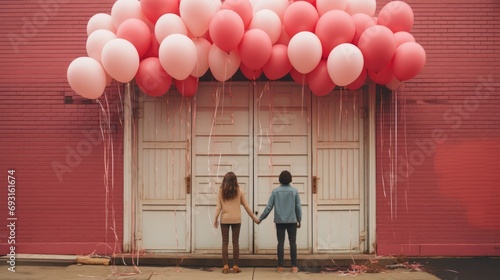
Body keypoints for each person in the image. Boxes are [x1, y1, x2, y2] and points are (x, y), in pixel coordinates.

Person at [214, 172, 260, 274]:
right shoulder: (239, 191)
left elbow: (218, 207)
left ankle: (225, 265)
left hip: (224, 220)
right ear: (235, 181)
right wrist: (255, 219)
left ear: (224, 180)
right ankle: (235, 265)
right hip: (236, 219)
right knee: (235, 242)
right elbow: (247, 206)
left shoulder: (221, 191)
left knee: (225, 242)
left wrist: (215, 219)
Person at [258, 170, 302, 274]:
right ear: (290, 179)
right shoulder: (295, 191)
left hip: (280, 221)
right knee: (293, 243)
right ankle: (294, 266)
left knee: (280, 243)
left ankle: (280, 266)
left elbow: (269, 207)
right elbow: (298, 207)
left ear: (280, 179)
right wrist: (299, 219)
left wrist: (260, 218)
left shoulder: (275, 192)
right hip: (292, 221)